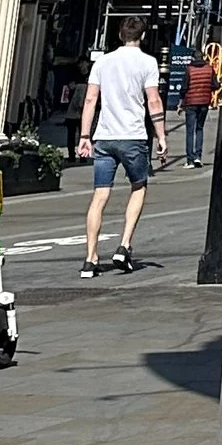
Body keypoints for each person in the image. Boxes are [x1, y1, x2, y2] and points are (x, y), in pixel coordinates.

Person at [77, 19, 166, 277]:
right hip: (133, 136)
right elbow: (154, 100)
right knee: (138, 187)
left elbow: (91, 99)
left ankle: (90, 258)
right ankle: (124, 245)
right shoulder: (148, 63)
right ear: (144, 35)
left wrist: (85, 135)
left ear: (119, 34)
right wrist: (161, 135)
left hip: (104, 136)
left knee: (100, 196)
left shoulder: (102, 62)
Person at [180, 41, 218, 170]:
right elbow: (216, 85)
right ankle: (198, 157)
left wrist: (181, 103)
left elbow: (184, 88)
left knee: (190, 131)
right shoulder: (210, 69)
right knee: (200, 129)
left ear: (193, 58)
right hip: (204, 102)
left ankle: (190, 159)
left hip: (191, 102)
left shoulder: (189, 70)